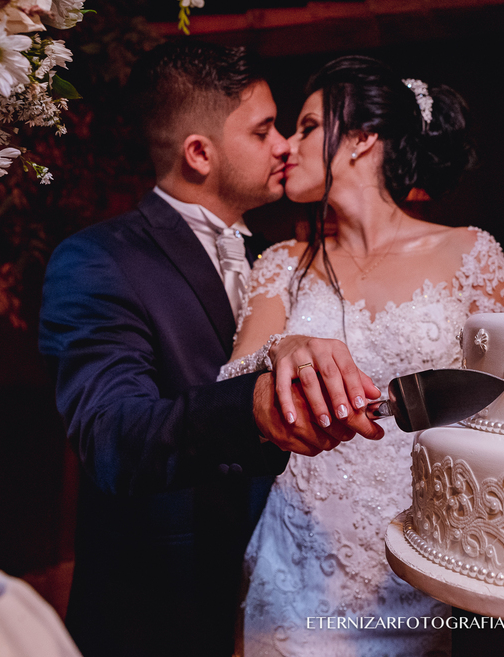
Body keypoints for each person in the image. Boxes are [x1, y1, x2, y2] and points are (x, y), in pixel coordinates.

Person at [39, 42, 381, 657]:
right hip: (162, 605)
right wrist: (250, 407)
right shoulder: (99, 259)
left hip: (293, 588)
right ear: (199, 153)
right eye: (263, 131)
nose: (285, 145)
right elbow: (112, 435)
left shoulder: (280, 260)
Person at [221, 56, 504, 656]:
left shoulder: (470, 254)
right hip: (298, 559)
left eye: (307, 126)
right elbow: (227, 386)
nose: (287, 145)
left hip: (422, 554)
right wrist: (282, 348)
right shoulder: (281, 263)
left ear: (362, 139)